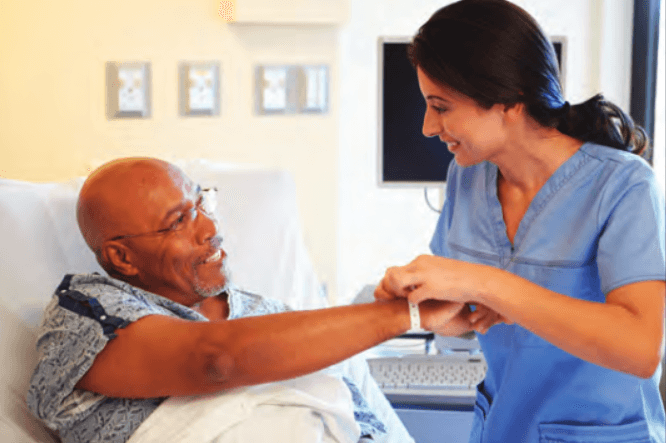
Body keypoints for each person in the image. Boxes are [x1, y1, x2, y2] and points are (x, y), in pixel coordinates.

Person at [26, 156, 489, 443]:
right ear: (122, 257)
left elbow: (370, 421)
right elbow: (214, 359)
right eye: (179, 220)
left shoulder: (275, 320)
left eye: (202, 203)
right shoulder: (85, 313)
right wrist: (402, 314)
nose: (210, 228)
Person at [375, 0, 666, 442]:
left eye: (441, 106)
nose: (428, 128)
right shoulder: (466, 177)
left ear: (508, 100)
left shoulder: (622, 185)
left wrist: (488, 284)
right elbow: (476, 317)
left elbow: (642, 348)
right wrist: (440, 315)